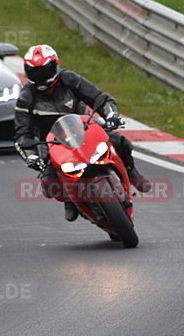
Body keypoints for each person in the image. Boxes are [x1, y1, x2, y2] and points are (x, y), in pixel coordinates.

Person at [14, 44, 153, 221]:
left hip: (86, 128)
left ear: (55, 66)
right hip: (54, 144)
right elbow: (22, 135)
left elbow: (99, 98)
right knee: (49, 184)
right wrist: (31, 156)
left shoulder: (69, 79)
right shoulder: (26, 98)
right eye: (35, 72)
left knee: (120, 142)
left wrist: (111, 115)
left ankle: (131, 171)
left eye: (44, 71)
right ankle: (70, 200)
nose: (41, 78)